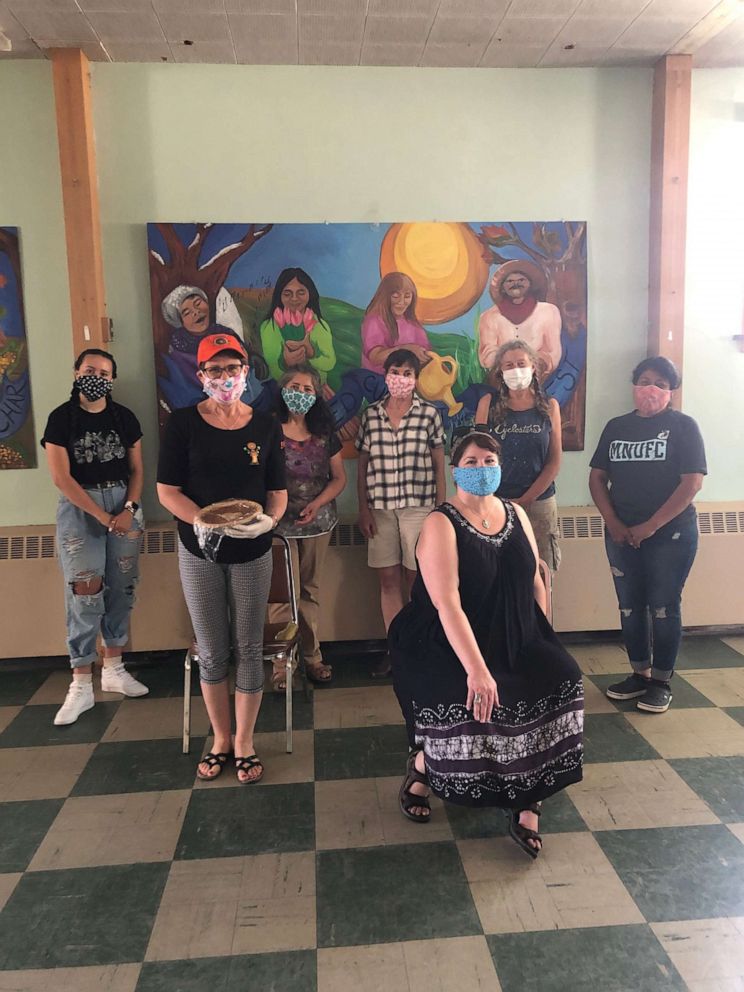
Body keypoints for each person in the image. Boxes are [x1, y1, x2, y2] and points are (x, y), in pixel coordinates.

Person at [389, 430, 583, 858]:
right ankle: (423, 768)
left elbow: (535, 581)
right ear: (455, 469)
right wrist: (477, 670)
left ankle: (527, 797)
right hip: (443, 639)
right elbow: (447, 603)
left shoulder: (516, 512)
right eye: (472, 462)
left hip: (515, 631)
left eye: (489, 461)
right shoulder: (441, 522)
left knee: (561, 678)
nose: (482, 469)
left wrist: (540, 637)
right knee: (473, 697)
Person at [157, 332, 288, 783]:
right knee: (212, 650)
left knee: (249, 647)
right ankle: (221, 739)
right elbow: (167, 491)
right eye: (215, 370)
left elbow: (277, 491)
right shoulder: (182, 424)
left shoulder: (265, 424)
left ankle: (246, 741)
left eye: (233, 369)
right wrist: (203, 522)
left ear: (245, 373)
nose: (225, 377)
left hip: (252, 550)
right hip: (199, 552)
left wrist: (270, 522)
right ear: (201, 376)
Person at [589, 356, 706, 714]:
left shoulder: (684, 427)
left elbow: (692, 483)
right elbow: (597, 478)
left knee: (663, 607)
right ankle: (639, 673)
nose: (650, 388)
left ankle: (661, 681)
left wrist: (650, 526)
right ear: (634, 385)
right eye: (644, 380)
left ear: (671, 391)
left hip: (671, 534)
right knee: (630, 607)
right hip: (621, 534)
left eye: (660, 383)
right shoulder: (616, 426)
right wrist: (614, 523)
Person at [42, 348, 148, 726]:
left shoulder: (125, 418)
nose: (96, 377)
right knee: (85, 589)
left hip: (124, 503)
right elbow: (61, 477)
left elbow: (138, 469)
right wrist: (102, 515)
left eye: (104, 372)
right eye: (90, 370)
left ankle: (115, 668)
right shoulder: (60, 419)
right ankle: (81, 681)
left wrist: (129, 509)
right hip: (81, 509)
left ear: (112, 380)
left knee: (122, 586)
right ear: (76, 373)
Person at [356, 348, 446, 677]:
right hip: (380, 509)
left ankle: (422, 647)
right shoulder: (372, 415)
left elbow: (439, 460)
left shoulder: (429, 414)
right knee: (388, 581)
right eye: (396, 371)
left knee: (417, 580)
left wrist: (440, 508)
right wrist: (363, 506)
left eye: (408, 373)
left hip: (419, 507)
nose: (401, 378)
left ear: (416, 379)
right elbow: (362, 464)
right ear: (386, 374)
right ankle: (396, 649)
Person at [274, 364, 346, 686]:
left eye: (307, 389)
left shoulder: (325, 433)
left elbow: (339, 478)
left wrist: (317, 504)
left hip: (318, 523)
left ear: (316, 395)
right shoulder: (268, 429)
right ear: (282, 389)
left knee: (308, 591)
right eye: (295, 387)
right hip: (277, 525)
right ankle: (280, 664)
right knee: (279, 595)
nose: (300, 394)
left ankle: (312, 656)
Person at [475, 339, 562, 570]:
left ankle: (541, 609)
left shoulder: (550, 406)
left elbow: (554, 462)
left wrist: (526, 499)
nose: (516, 370)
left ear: (533, 366)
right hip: (496, 503)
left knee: (541, 570)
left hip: (540, 502)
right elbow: (477, 457)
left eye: (521, 363)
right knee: (499, 570)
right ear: (500, 372)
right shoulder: (487, 404)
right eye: (508, 365)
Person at [478, 260, 562, 377]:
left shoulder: (549, 311)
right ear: (502, 287)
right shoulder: (489, 316)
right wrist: (509, 366)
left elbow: (553, 352)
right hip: (502, 379)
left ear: (531, 284)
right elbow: (487, 355)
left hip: (541, 378)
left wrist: (533, 366)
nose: (516, 284)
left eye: (521, 280)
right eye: (510, 281)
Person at [259, 268, 336, 383]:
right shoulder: (269, 326)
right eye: (287, 293)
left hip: (316, 388)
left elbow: (329, 363)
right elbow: (273, 368)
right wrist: (285, 362)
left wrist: (311, 353)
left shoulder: (320, 325)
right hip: (284, 388)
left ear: (310, 293)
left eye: (301, 293)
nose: (294, 298)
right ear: (279, 296)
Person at [361, 272, 432, 375]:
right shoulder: (374, 321)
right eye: (395, 296)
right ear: (385, 296)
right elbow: (375, 357)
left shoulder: (414, 325)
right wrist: (406, 349)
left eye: (407, 296)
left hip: (408, 384)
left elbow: (426, 355)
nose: (401, 302)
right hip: (377, 382)